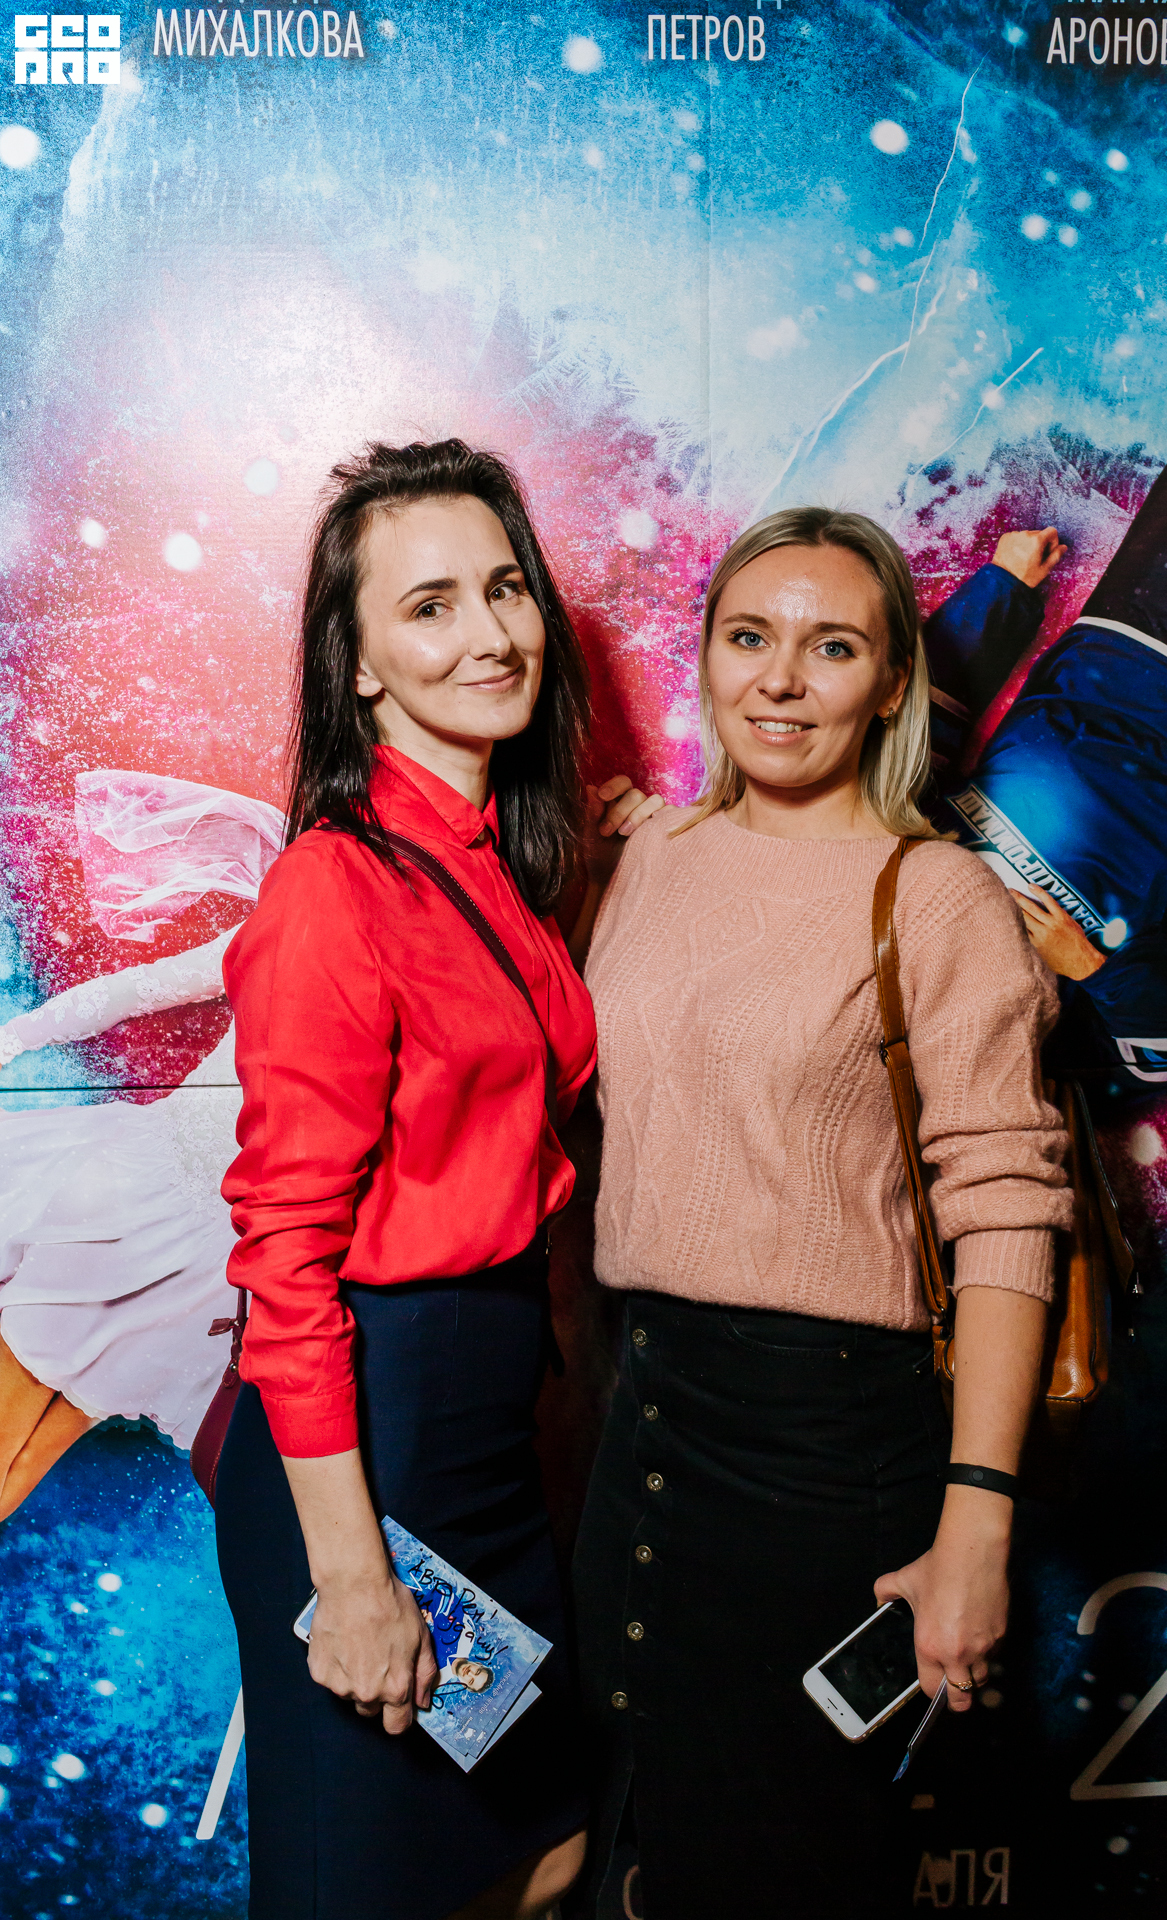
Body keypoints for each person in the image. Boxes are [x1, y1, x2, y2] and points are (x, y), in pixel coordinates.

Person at [572, 507, 1073, 1918]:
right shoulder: (651, 860)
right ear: (707, 659)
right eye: (750, 637)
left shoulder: (940, 898)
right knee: (623, 1855)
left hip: (826, 1460)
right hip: (640, 1424)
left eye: (832, 646)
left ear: (894, 681)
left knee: (784, 1870)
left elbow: (1009, 1210)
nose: (781, 679)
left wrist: (977, 1520)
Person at [214, 437, 660, 1920]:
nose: (490, 632)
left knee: (537, 1850)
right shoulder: (330, 887)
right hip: (368, 1454)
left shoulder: (489, 864)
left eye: (505, 588)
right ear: (356, 665)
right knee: (368, 1891)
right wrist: (351, 1577)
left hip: (478, 1443)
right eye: (429, 606)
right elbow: (286, 1263)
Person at [924, 390, 1167, 1088]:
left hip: (1133, 641)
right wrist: (1089, 967)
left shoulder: (895, 867)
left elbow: (924, 713)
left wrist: (1002, 587)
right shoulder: (1049, 1028)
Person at [0, 771, 284, 1518]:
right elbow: (136, 991)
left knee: (18, 1451)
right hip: (170, 1221)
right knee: (17, 1446)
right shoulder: (305, 918)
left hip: (200, 1241)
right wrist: (10, 1040)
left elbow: (138, 990)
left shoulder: (338, 930)